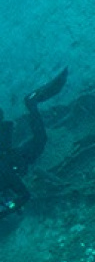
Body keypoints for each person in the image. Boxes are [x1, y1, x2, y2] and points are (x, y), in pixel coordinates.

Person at [0, 68, 66, 214]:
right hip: (12, 157)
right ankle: (30, 103)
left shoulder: (4, 175)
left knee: (41, 139)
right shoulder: (4, 176)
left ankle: (31, 102)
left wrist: (7, 210)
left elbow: (25, 195)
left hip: (22, 157)